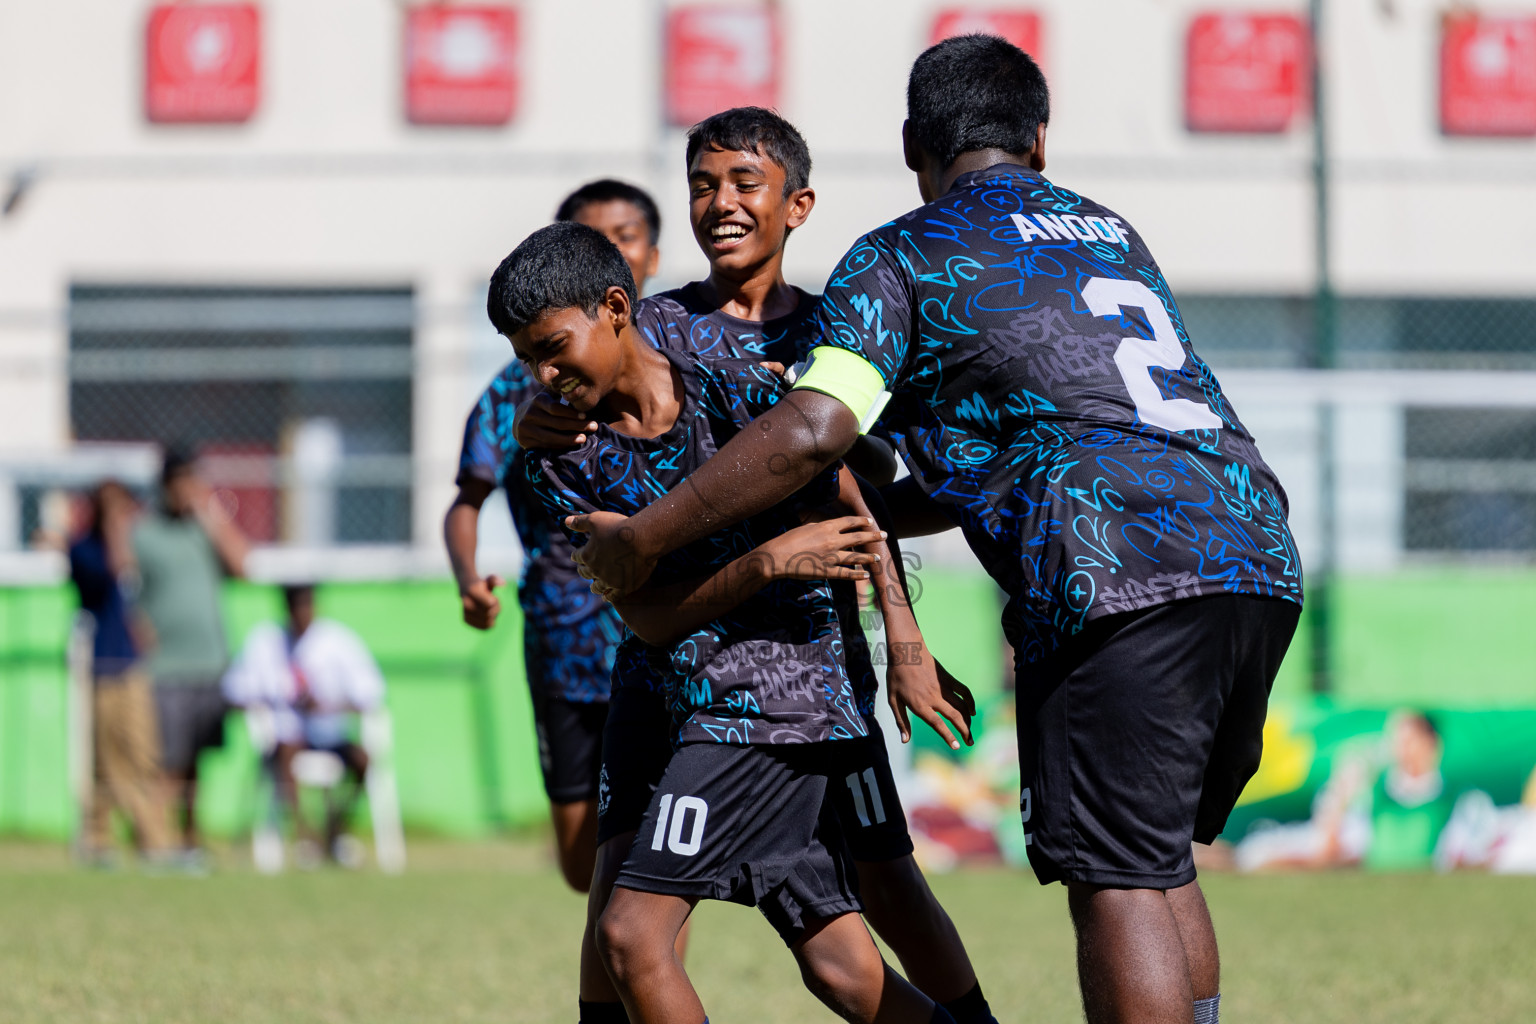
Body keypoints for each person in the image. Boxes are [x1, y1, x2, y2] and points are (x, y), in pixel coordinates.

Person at [568, 37, 1305, 1024]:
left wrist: (645, 536)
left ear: (914, 143)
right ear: (1039, 139)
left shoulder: (906, 252)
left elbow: (817, 428)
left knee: (1119, 876)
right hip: (1252, 543)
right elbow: (1005, 455)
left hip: (1114, 564)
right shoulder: (1106, 231)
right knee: (1158, 858)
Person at [517, 110, 994, 1024]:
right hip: (666, 670)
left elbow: (869, 489)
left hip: (800, 665)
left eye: (745, 183)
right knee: (625, 897)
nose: (721, 203)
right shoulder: (654, 328)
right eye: (703, 184)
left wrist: (902, 634)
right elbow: (562, 394)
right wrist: (531, 420)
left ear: (797, 205)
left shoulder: (835, 336)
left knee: (881, 885)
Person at [445, 179, 660, 894]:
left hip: (658, 630)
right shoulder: (516, 390)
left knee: (647, 860)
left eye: (624, 238)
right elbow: (467, 498)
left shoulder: (684, 363)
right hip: (562, 633)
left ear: (645, 262)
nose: (613, 251)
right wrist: (468, 580)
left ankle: (639, 979)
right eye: (591, 238)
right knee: (583, 863)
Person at [134, 447, 249, 854]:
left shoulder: (206, 528)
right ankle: (153, 838)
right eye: (181, 482)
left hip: (211, 663)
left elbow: (242, 567)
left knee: (197, 761)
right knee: (168, 760)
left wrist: (212, 515)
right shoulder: (144, 532)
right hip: (165, 667)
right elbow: (127, 589)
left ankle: (189, 838)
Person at [223, 584, 384, 864]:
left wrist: (326, 705)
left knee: (363, 760)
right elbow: (235, 691)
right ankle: (304, 835)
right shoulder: (266, 642)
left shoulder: (337, 641)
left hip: (329, 733)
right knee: (286, 750)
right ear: (286, 609)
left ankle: (335, 829)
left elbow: (371, 693)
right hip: (286, 737)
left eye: (307, 606)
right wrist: (275, 700)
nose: (302, 614)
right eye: (296, 607)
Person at [67, 481, 174, 863]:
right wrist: (114, 529)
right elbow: (114, 570)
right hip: (100, 665)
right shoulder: (82, 550)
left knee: (144, 754)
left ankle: (155, 839)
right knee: (106, 758)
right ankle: (97, 839)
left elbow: (130, 591)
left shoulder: (132, 548)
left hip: (130, 665)